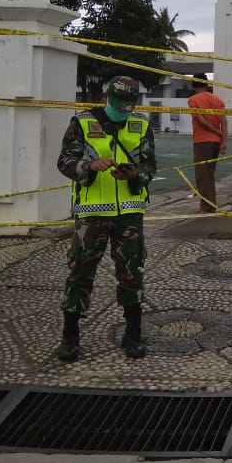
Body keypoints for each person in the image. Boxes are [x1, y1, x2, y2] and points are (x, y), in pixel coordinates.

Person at [55, 76, 156, 362]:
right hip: (92, 214)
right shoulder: (82, 123)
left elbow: (150, 164)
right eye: (118, 104)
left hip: (129, 214)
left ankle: (132, 334)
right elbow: (64, 161)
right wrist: (89, 166)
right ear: (105, 97)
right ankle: (70, 337)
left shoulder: (142, 125)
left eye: (127, 106)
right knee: (80, 272)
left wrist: (135, 174)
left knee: (132, 274)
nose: (122, 110)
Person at [187, 73, 228, 212]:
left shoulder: (193, 100)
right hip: (216, 142)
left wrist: (217, 132)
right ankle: (210, 205)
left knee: (202, 175)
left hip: (202, 141)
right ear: (206, 84)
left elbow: (202, 121)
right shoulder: (218, 100)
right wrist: (223, 140)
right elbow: (224, 122)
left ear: (193, 86)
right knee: (209, 174)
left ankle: (206, 207)